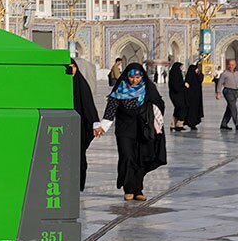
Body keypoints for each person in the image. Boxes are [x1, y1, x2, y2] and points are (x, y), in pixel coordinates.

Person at [93, 62, 166, 201]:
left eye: (138, 78)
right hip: (124, 129)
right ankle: (128, 188)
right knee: (127, 156)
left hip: (143, 129)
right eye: (132, 78)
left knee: (141, 157)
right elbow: (110, 111)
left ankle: (138, 188)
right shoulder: (119, 90)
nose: (134, 80)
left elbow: (160, 104)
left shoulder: (148, 89)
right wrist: (102, 126)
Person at [69, 59, 99, 191]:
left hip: (79, 126)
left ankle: (78, 184)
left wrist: (94, 124)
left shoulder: (81, 85)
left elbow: (88, 106)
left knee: (79, 155)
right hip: (62, 127)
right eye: (68, 67)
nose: (71, 70)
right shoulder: (58, 85)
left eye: (73, 67)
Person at [218, 57, 238, 131]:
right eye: (230, 65)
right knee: (233, 107)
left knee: (229, 108)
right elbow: (220, 83)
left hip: (235, 92)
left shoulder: (237, 73)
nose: (231, 66)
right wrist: (218, 93)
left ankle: (224, 124)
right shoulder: (224, 74)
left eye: (233, 65)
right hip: (228, 91)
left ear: (235, 65)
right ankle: (237, 124)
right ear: (227, 65)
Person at [167, 61, 188, 132]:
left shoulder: (177, 73)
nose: (181, 69)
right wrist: (184, 86)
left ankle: (173, 124)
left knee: (178, 108)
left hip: (178, 94)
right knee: (182, 107)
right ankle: (179, 124)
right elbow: (175, 85)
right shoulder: (174, 74)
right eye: (181, 67)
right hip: (175, 94)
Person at [184, 63, 205, 132]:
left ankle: (194, 122)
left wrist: (199, 73)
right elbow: (187, 85)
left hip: (197, 96)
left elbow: (201, 79)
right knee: (192, 110)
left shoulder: (197, 76)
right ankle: (191, 123)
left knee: (196, 109)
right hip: (191, 97)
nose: (197, 70)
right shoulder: (190, 76)